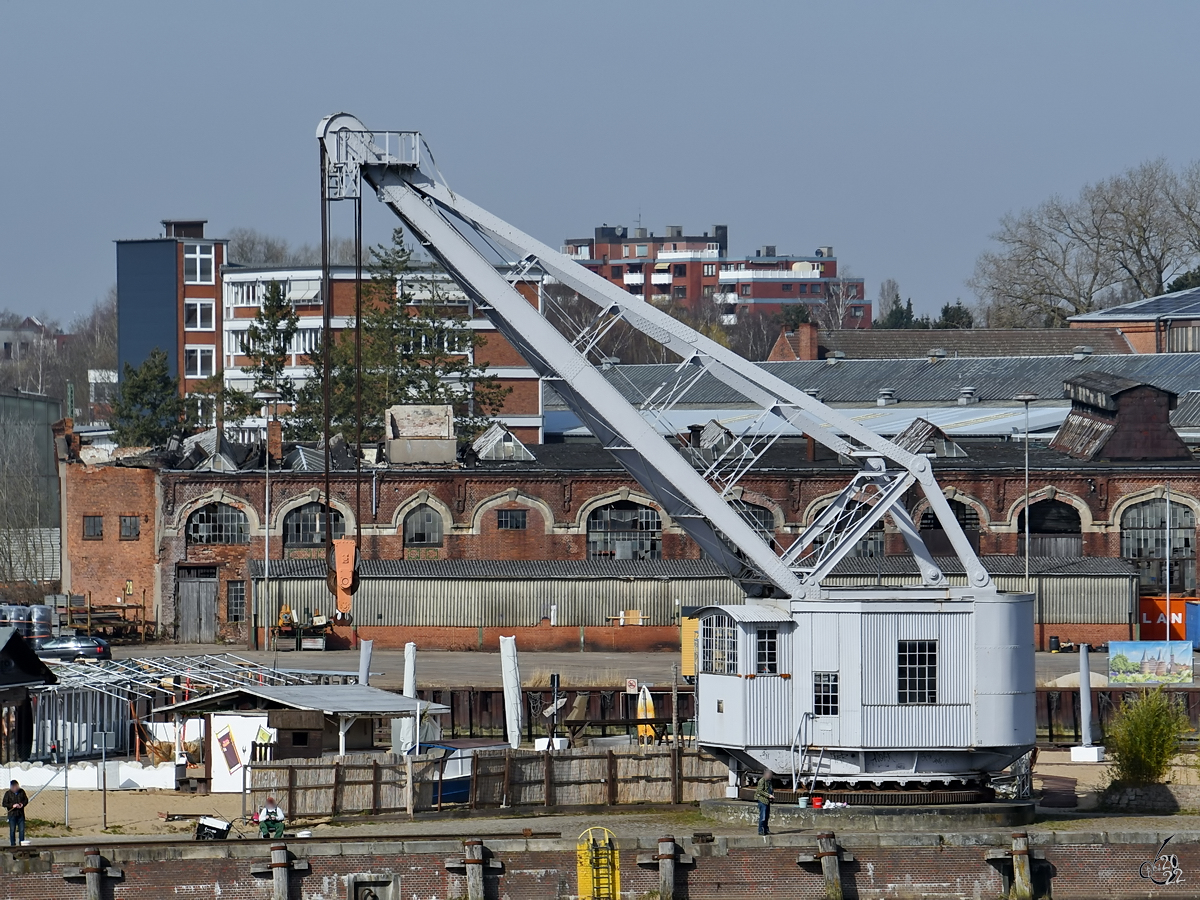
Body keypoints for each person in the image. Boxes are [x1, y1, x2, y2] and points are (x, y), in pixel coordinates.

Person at [3, 779, 28, 846]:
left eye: (17, 786)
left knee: (22, 830)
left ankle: (21, 844)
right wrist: (12, 805)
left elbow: (26, 800)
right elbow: (4, 803)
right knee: (12, 830)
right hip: (12, 815)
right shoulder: (8, 793)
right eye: (14, 787)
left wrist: (22, 804)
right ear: (11, 787)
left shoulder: (21, 792)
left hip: (20, 814)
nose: (16, 788)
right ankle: (13, 845)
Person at [754, 770, 775, 836]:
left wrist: (772, 796)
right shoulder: (761, 781)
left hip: (767, 801)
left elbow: (771, 789)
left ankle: (766, 829)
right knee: (763, 816)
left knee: (766, 816)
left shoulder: (769, 781)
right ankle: (761, 830)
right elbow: (759, 791)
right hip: (762, 801)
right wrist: (768, 795)